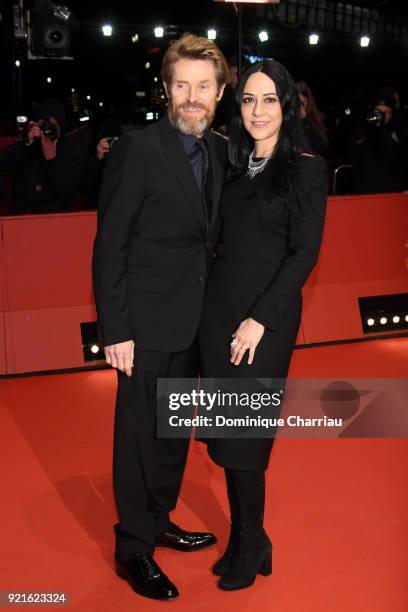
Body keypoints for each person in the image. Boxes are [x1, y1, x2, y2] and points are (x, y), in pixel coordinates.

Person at [92, 33, 229, 601]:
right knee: (139, 438)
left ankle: (161, 518)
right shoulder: (138, 148)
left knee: (175, 433)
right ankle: (133, 547)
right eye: (182, 86)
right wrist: (115, 327)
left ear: (220, 92)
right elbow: (109, 245)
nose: (192, 97)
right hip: (145, 324)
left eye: (203, 87)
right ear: (167, 89)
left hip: (196, 322)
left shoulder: (222, 151)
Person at [199, 60, 328, 591]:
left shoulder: (305, 168)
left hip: (263, 324)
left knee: (246, 438)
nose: (257, 110)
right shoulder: (235, 164)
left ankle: (250, 541)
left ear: (286, 104)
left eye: (268, 99)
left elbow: (303, 254)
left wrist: (259, 319)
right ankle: (248, 537)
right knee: (224, 434)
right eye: (248, 99)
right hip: (217, 315)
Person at [0, 98, 84, 214]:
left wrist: (52, 160)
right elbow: (3, 163)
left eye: (52, 125)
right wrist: (25, 142)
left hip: (51, 222)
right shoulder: (29, 145)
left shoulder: (71, 151)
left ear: (61, 125)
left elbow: (68, 191)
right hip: (20, 219)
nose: (47, 130)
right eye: (44, 125)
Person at [350, 87, 408, 194]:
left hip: (394, 190)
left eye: (387, 112)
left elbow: (396, 154)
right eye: (379, 112)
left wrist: (381, 130)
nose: (382, 116)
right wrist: (368, 124)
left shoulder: (400, 129)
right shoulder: (364, 125)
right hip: (366, 189)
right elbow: (353, 151)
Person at [296, 80, 328, 155]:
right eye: (297, 102)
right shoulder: (289, 118)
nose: (299, 106)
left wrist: (303, 121)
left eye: (302, 102)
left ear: (308, 100)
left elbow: (321, 145)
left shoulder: (316, 118)